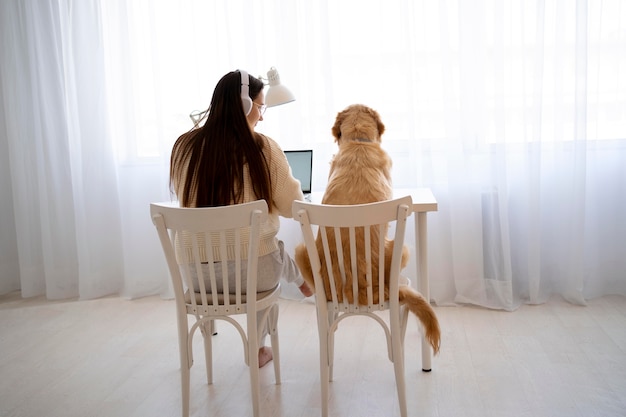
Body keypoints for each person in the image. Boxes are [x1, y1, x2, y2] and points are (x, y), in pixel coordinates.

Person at [170, 69, 313, 368]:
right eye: (261, 107)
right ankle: (258, 346)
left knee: (268, 252)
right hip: (253, 276)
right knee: (268, 254)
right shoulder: (263, 148)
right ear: (245, 105)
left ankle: (297, 282)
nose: (262, 117)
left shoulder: (183, 147)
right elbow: (293, 206)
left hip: (197, 278)